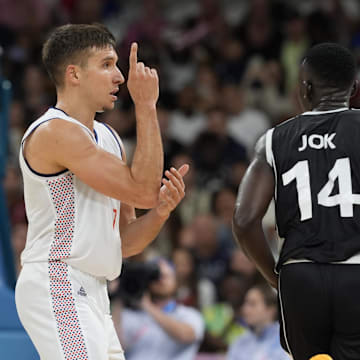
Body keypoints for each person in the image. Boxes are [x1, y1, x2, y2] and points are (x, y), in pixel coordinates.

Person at [15, 23, 188, 360]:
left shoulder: (108, 138)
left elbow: (126, 241)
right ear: (73, 74)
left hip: (95, 290)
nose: (120, 77)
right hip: (58, 279)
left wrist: (162, 211)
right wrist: (146, 106)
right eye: (107, 64)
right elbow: (143, 190)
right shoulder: (56, 132)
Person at [232, 42, 360, 360]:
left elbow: (245, 220)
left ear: (304, 88)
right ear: (354, 88)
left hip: (300, 275)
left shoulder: (274, 139)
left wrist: (276, 277)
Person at [115, 258, 204, 360]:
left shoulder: (189, 314)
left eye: (166, 276)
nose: (161, 280)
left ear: (176, 281)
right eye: (156, 277)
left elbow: (186, 336)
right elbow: (114, 347)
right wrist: (118, 296)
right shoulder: (130, 315)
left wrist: (148, 306)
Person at [226, 283, 288, 360]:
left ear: (271, 309)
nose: (245, 309)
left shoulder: (285, 340)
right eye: (245, 303)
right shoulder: (240, 342)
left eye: (252, 304)